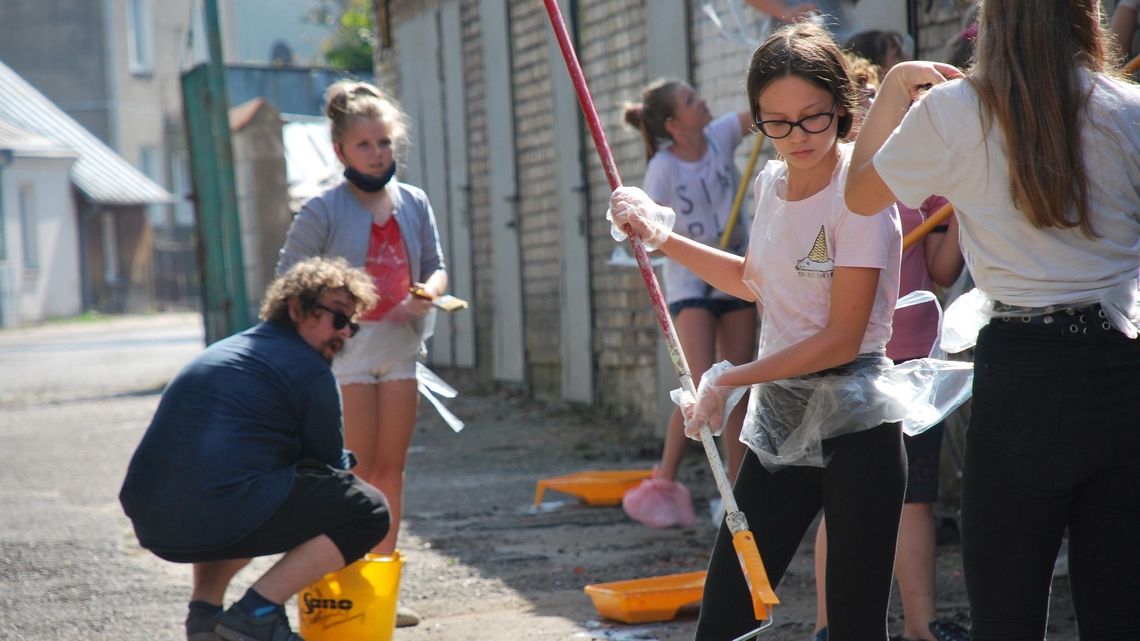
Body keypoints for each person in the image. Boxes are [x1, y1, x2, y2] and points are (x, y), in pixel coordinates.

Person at [845, 2, 1140, 639]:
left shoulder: (953, 112)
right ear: (1086, 19)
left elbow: (859, 194)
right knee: (1121, 608)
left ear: (993, 23)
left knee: (1005, 609)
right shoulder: (1128, 108)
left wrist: (896, 88)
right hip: (1123, 368)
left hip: (1022, 368)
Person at [611, 22, 906, 640]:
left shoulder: (862, 193)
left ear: (842, 108)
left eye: (813, 118)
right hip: (783, 418)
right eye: (776, 122)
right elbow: (755, 279)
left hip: (857, 423)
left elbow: (842, 338)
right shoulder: (772, 182)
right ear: (757, 120)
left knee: (854, 627)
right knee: (724, 617)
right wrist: (661, 236)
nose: (796, 138)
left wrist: (730, 376)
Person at [119, 257, 389, 641]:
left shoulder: (230, 349)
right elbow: (331, 468)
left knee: (242, 491)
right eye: (338, 318)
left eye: (352, 325)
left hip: (153, 519)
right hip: (212, 507)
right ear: (296, 309)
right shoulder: (308, 370)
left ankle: (204, 618)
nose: (345, 333)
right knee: (368, 510)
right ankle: (255, 615)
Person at [812, 39, 969, 641]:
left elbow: (945, 269)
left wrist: (957, 211)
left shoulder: (922, 181)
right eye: (869, 108)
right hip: (851, 363)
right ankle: (831, 625)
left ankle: (921, 626)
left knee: (916, 498)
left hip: (914, 367)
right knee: (843, 503)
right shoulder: (832, 190)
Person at [276, 80, 448, 627]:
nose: (377, 154)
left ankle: (382, 585)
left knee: (391, 470)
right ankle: (345, 580)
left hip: (400, 350)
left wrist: (433, 291)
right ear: (341, 151)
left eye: (385, 143)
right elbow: (289, 278)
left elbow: (436, 266)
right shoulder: (323, 209)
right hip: (346, 356)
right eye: (365, 145)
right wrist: (329, 309)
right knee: (351, 472)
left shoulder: (414, 201)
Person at [617, 80, 757, 528]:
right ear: (674, 125)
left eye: (700, 95)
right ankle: (666, 484)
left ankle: (737, 496)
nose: (704, 101)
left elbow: (762, 113)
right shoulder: (663, 168)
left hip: (736, 277)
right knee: (700, 390)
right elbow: (651, 232)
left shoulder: (720, 135)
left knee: (735, 386)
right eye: (692, 102)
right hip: (691, 286)